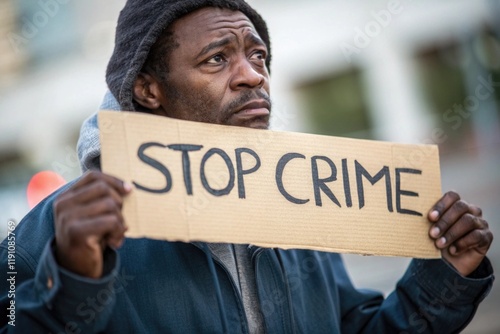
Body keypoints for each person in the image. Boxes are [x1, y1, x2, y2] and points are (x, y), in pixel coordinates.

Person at [0, 0, 494, 333]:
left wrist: (446, 274)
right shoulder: (55, 231)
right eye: (217, 59)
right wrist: (70, 279)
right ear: (148, 90)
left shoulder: (303, 198)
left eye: (258, 55)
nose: (253, 75)